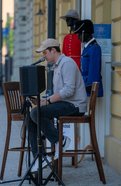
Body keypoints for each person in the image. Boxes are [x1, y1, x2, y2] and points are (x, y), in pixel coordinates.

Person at [28, 38, 87, 172]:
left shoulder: (67, 63)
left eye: (44, 53)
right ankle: (38, 157)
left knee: (36, 113)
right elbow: (59, 92)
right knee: (31, 116)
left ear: (53, 50)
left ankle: (60, 140)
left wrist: (47, 101)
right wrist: (43, 101)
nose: (43, 56)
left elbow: (68, 90)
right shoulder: (58, 65)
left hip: (75, 106)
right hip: (65, 103)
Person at [73, 19, 103, 97]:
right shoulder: (87, 48)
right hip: (84, 85)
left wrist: (90, 88)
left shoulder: (94, 48)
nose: (78, 37)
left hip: (89, 87)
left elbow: (94, 71)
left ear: (84, 33)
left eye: (79, 34)